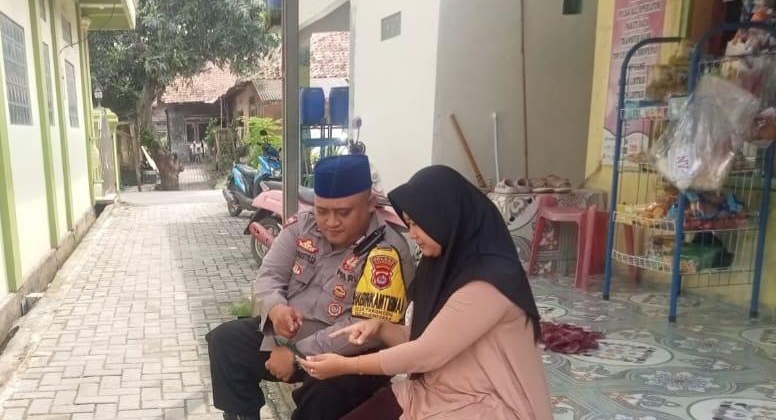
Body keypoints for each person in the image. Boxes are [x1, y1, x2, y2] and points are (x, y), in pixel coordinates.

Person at [297, 165, 553, 420]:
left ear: (446, 218)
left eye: (419, 224)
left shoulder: (489, 282)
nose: (413, 234)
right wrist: (380, 327)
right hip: (437, 391)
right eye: (409, 224)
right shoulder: (441, 266)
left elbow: (426, 352)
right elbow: (425, 337)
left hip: (492, 405)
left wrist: (347, 366)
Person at [207, 155, 416, 420]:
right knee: (227, 342)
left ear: (370, 204)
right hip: (288, 340)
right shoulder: (302, 226)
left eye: (344, 212)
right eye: (322, 210)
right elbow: (269, 276)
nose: (330, 222)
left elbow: (366, 329)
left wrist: (296, 354)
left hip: (355, 355)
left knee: (322, 395)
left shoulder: (387, 251)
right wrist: (276, 310)